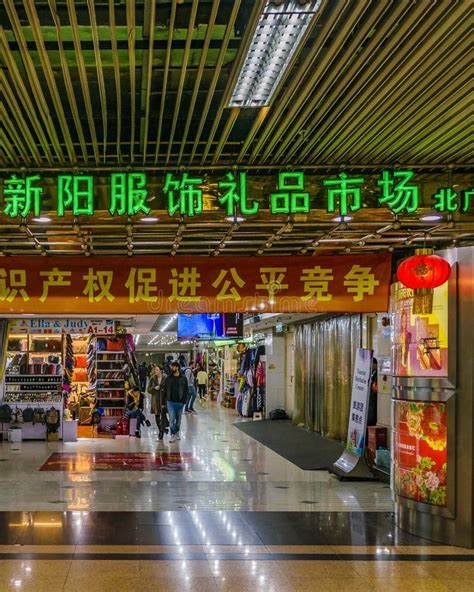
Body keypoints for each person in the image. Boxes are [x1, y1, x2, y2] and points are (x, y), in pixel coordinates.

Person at [165, 361, 188, 443]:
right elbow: (165, 389)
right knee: (171, 420)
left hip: (180, 402)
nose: (172, 368)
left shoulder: (183, 378)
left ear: (177, 367)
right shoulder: (168, 378)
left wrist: (183, 401)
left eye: (174, 367)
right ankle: (173, 434)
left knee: (178, 421)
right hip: (170, 402)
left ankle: (177, 432)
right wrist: (164, 401)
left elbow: (186, 390)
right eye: (172, 367)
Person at [148, 365, 168, 441]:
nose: (155, 371)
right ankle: (160, 430)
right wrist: (154, 388)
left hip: (163, 399)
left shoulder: (166, 378)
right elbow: (148, 390)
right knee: (157, 415)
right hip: (155, 399)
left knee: (163, 415)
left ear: (161, 370)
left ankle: (162, 431)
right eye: (155, 370)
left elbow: (168, 388)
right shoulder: (152, 378)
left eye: (157, 370)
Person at [367, 357, 378, 426]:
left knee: (372, 414)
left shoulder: (377, 373)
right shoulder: (371, 372)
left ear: (374, 364)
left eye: (371, 364)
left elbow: (375, 387)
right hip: (370, 397)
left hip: (374, 397)